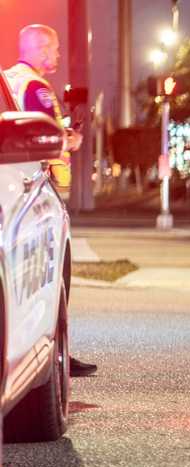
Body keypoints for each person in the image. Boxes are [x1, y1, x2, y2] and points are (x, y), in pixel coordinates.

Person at [5, 24, 97, 377]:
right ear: (41, 48)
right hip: (36, 186)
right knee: (52, 278)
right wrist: (70, 139)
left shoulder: (11, 80)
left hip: (17, 181)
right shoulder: (36, 86)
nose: (57, 55)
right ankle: (54, 349)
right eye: (54, 48)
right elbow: (44, 133)